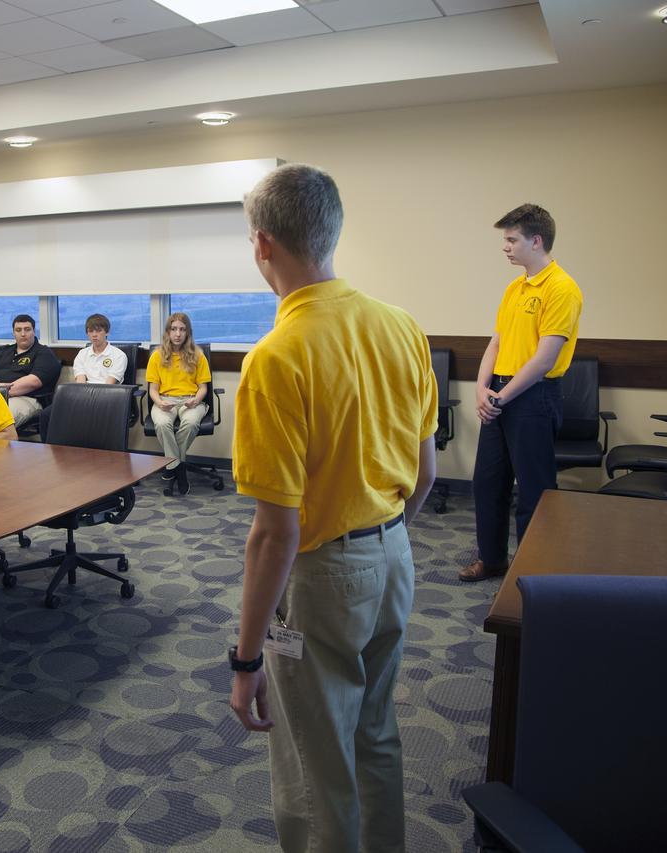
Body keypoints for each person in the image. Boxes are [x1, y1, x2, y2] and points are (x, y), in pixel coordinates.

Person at [229, 164, 438, 853]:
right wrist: (378, 542)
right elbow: (426, 469)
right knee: (374, 730)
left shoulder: (277, 356)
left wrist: (246, 657)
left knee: (313, 766)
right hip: (394, 556)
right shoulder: (401, 325)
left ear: (263, 245)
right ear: (332, 232)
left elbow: (273, 535)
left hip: (322, 578)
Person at [459, 204, 581, 582]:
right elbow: (496, 342)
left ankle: (531, 575)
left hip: (533, 397)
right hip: (501, 393)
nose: (506, 247)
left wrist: (501, 396)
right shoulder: (515, 287)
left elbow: (545, 359)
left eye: (512, 239)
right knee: (488, 482)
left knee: (534, 491)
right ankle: (493, 559)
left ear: (536, 240)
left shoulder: (562, 288)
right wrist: (482, 387)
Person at [146, 312, 211, 495]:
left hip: (191, 399)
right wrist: (159, 402)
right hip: (164, 400)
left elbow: (203, 388)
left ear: (188, 333)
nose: (177, 334)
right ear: (167, 332)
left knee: (190, 423)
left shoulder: (198, 355)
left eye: (182, 330)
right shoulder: (157, 356)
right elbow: (152, 389)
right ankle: (179, 467)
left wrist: (196, 400)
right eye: (173, 329)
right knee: (162, 423)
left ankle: (172, 466)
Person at [37, 313, 128, 440]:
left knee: (83, 419)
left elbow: (109, 385)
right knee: (47, 414)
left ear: (106, 332)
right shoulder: (82, 354)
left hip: (107, 399)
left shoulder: (118, 355)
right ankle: (52, 451)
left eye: (98, 331)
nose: (94, 335)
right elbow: (80, 382)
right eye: (90, 331)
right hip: (83, 397)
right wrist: (81, 401)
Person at [0, 314, 61, 430]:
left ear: (34, 332)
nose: (23, 334)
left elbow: (33, 382)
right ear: (13, 333)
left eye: (27, 329)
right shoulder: (2, 351)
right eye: (18, 330)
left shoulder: (43, 353)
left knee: (0, 417)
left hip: (27, 398)